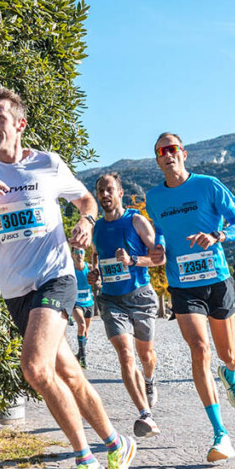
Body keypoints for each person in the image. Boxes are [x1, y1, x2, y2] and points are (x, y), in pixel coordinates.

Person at [0, 87, 134, 469]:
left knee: (34, 367)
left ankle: (86, 462)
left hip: (56, 277)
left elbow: (84, 199)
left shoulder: (47, 163)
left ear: (19, 123)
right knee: (67, 374)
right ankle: (116, 443)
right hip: (16, 290)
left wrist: (85, 222)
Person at [145, 133, 235, 463]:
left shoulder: (209, 185)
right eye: (161, 151)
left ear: (183, 154)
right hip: (183, 284)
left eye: (172, 149)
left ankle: (230, 374)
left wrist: (217, 235)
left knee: (227, 354)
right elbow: (159, 232)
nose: (167, 155)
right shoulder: (154, 198)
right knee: (199, 349)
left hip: (217, 280)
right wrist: (158, 249)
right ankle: (220, 434)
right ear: (158, 160)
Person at [89, 173, 164, 439]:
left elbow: (159, 259)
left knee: (146, 356)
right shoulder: (96, 228)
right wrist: (94, 273)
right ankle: (145, 415)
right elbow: (96, 258)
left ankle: (150, 379)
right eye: (100, 191)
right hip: (110, 299)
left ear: (120, 192)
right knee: (125, 354)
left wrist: (133, 261)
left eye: (110, 189)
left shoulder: (136, 221)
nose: (105, 195)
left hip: (140, 296)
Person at [72, 247, 94, 368]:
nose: (79, 254)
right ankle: (84, 357)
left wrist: (99, 281)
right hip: (76, 304)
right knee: (81, 325)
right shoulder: (70, 269)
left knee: (85, 332)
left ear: (84, 254)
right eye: (76, 252)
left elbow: (99, 280)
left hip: (89, 303)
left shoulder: (89, 268)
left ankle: (79, 354)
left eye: (81, 252)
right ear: (72, 254)